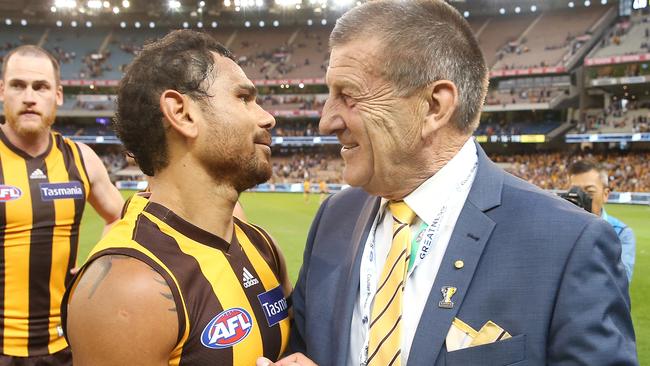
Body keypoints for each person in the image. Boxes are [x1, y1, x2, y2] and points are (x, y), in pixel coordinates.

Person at [260, 1, 637, 365]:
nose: (326, 121)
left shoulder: (566, 243)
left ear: (434, 106)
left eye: (349, 95)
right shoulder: (333, 220)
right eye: (329, 95)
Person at [63, 30, 291, 365]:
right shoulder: (129, 287)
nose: (266, 117)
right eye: (244, 98)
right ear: (181, 113)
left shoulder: (263, 246)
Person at [0, 45, 123, 365]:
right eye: (18, 85)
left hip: (64, 344)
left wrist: (97, 262)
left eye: (40, 87)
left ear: (57, 95)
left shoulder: (81, 159)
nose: (29, 96)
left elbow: (119, 217)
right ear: (2, 91)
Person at [568, 159, 635, 282]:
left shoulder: (622, 233)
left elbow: (620, 282)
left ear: (605, 194)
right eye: (575, 192)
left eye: (589, 192)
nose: (581, 197)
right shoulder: (563, 228)